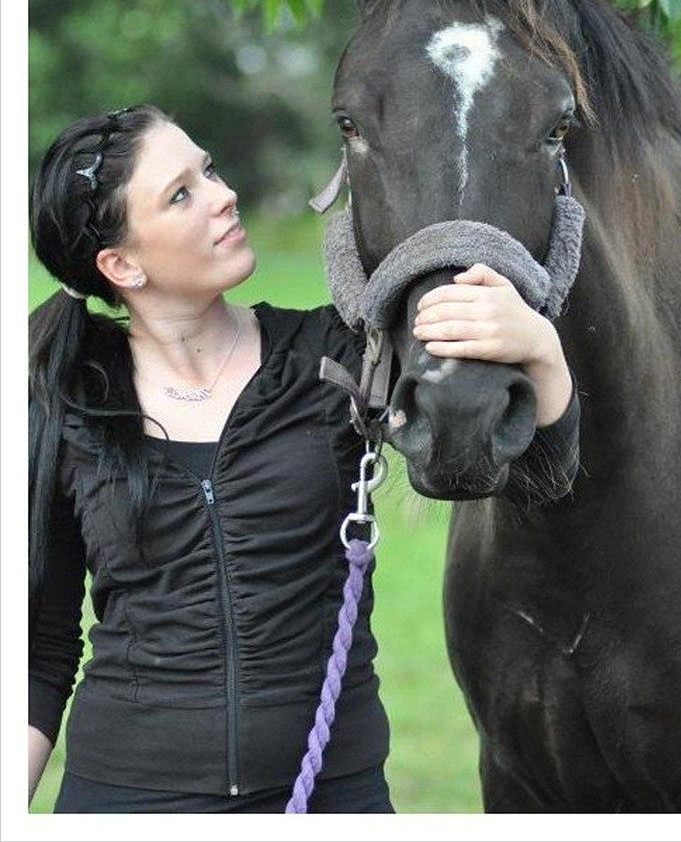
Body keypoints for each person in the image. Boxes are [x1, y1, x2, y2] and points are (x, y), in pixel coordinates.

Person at [28, 103, 581, 813]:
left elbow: (536, 479)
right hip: (126, 799)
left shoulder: (334, 361)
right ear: (121, 264)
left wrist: (541, 350)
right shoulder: (68, 402)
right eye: (181, 195)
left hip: (331, 793)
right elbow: (39, 650)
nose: (224, 195)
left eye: (209, 170)